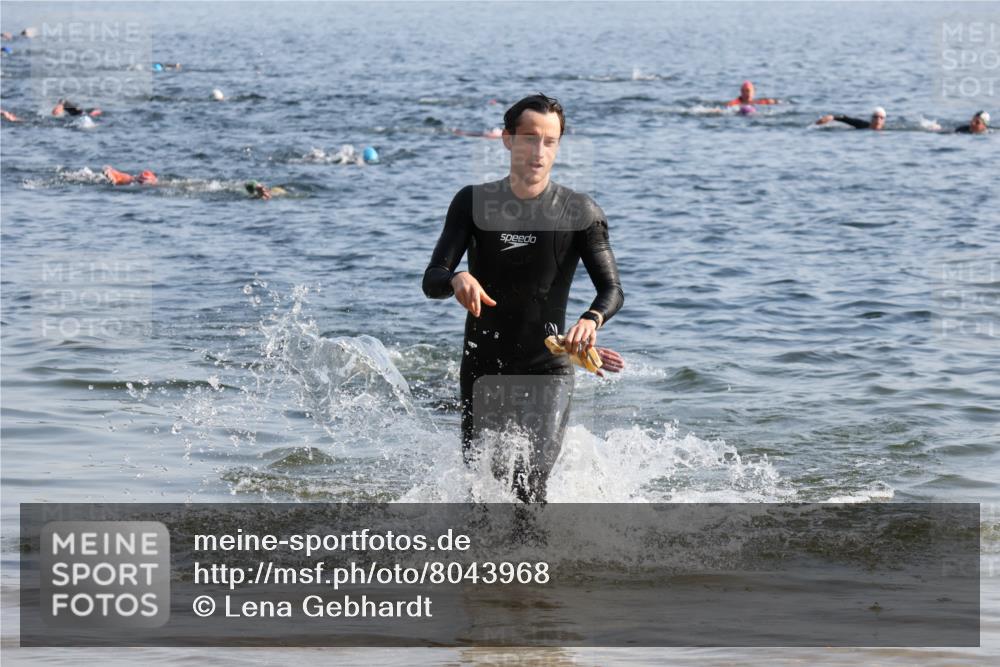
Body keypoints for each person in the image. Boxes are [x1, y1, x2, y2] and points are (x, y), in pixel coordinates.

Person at [423, 93, 625, 503]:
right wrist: (456, 280)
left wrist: (590, 320)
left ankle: (540, 567)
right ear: (507, 140)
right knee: (482, 490)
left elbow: (612, 290)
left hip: (547, 367)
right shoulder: (473, 202)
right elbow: (432, 279)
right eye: (530, 138)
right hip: (483, 364)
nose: (539, 151)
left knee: (529, 486)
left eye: (550, 141)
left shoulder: (579, 212)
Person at [815, 106, 886, 130]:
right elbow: (846, 119)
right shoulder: (862, 124)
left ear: (884, 120)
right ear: (871, 118)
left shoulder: (887, 130)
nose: (878, 120)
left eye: (881, 118)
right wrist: (832, 117)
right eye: (876, 117)